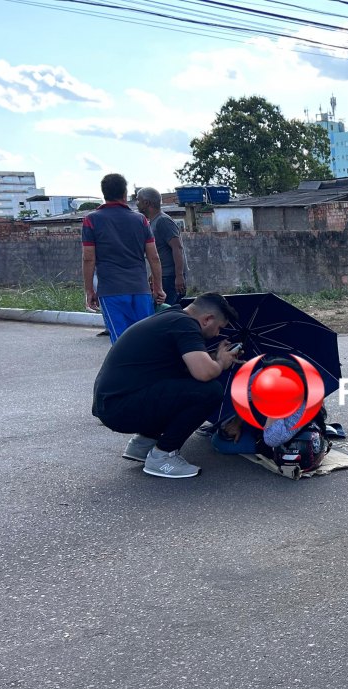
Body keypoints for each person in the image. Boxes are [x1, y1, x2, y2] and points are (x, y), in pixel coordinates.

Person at [92, 292, 239, 479]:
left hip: (113, 404)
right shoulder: (185, 325)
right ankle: (163, 456)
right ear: (207, 319)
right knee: (210, 391)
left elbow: (183, 371)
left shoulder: (170, 317)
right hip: (121, 408)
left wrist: (212, 360)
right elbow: (204, 373)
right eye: (219, 328)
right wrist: (221, 362)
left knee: (186, 387)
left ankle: (143, 444)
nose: (218, 334)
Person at [82, 173, 166, 343]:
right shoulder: (141, 220)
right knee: (146, 339)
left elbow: (88, 259)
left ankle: (128, 370)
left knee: (121, 343)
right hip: (140, 290)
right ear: (125, 193)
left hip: (111, 292)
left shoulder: (91, 220)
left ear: (104, 194)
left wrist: (89, 290)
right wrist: (158, 287)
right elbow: (154, 257)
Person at [136, 187, 188, 306]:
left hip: (170, 277)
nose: (137, 204)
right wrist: (153, 274)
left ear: (146, 203)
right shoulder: (153, 222)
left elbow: (177, 248)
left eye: (138, 200)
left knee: (167, 312)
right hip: (163, 276)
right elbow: (160, 251)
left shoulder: (163, 221)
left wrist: (179, 276)